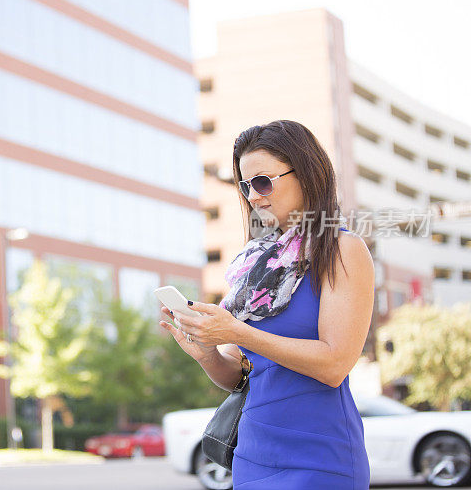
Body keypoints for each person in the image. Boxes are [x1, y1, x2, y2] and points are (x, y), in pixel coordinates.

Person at [159, 120, 373, 489]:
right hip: (253, 454)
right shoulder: (251, 267)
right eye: (245, 186)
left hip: (320, 456)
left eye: (263, 181)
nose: (254, 196)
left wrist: (238, 332)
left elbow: (335, 365)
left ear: (305, 173)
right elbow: (239, 376)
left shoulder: (342, 249)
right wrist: (207, 352)